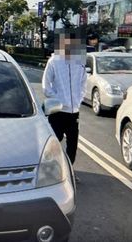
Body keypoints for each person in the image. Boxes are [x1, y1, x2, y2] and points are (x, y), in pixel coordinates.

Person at [42, 28, 87, 181]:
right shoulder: (54, 61)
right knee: (53, 144)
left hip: (74, 112)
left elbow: (83, 84)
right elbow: (45, 85)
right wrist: (57, 100)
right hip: (57, 111)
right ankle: (47, 171)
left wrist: (79, 100)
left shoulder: (79, 62)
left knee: (73, 145)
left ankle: (68, 172)